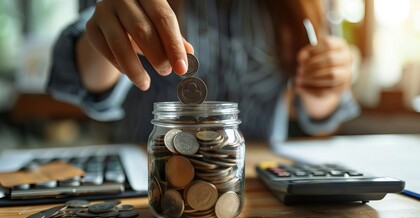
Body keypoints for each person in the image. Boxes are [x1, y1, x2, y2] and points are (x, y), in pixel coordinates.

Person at [47, 0, 360, 143]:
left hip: (259, 183)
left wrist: (325, 87)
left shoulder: (305, 5)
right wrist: (102, 41)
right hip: (151, 178)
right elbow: (85, 79)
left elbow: (318, 116)